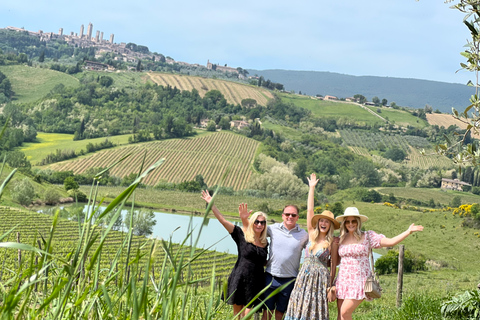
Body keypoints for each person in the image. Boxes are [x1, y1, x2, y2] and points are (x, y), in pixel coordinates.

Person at [334, 207, 424, 320]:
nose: (350, 224)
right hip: (343, 281)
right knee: (340, 316)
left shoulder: (367, 236)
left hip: (359, 281)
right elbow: (335, 259)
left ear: (358, 222)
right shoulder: (341, 239)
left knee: (345, 312)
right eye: (347, 221)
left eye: (354, 221)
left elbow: (390, 241)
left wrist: (408, 231)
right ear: (344, 223)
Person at [201, 190, 268, 319]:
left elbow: (262, 261)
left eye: (262, 222)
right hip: (240, 278)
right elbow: (223, 221)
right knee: (238, 316)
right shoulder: (241, 235)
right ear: (252, 222)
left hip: (257, 281)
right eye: (257, 222)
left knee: (248, 315)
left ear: (265, 225)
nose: (259, 224)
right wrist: (211, 205)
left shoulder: (265, 242)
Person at [284, 173, 340, 320]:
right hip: (304, 277)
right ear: (318, 222)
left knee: (315, 309)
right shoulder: (311, 234)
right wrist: (312, 188)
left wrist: (330, 286)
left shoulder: (333, 242)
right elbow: (310, 211)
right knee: (299, 305)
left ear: (330, 225)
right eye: (321, 220)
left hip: (321, 280)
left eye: (327, 222)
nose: (323, 223)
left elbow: (333, 265)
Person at [241, 200, 308, 320]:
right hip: (270, 277)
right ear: (282, 215)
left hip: (290, 279)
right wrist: (244, 219)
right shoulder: (273, 229)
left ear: (298, 217)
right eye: (287, 214)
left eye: (293, 215)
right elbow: (255, 229)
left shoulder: (304, 235)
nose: (290, 217)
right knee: (267, 312)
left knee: (280, 313)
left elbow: (316, 247)